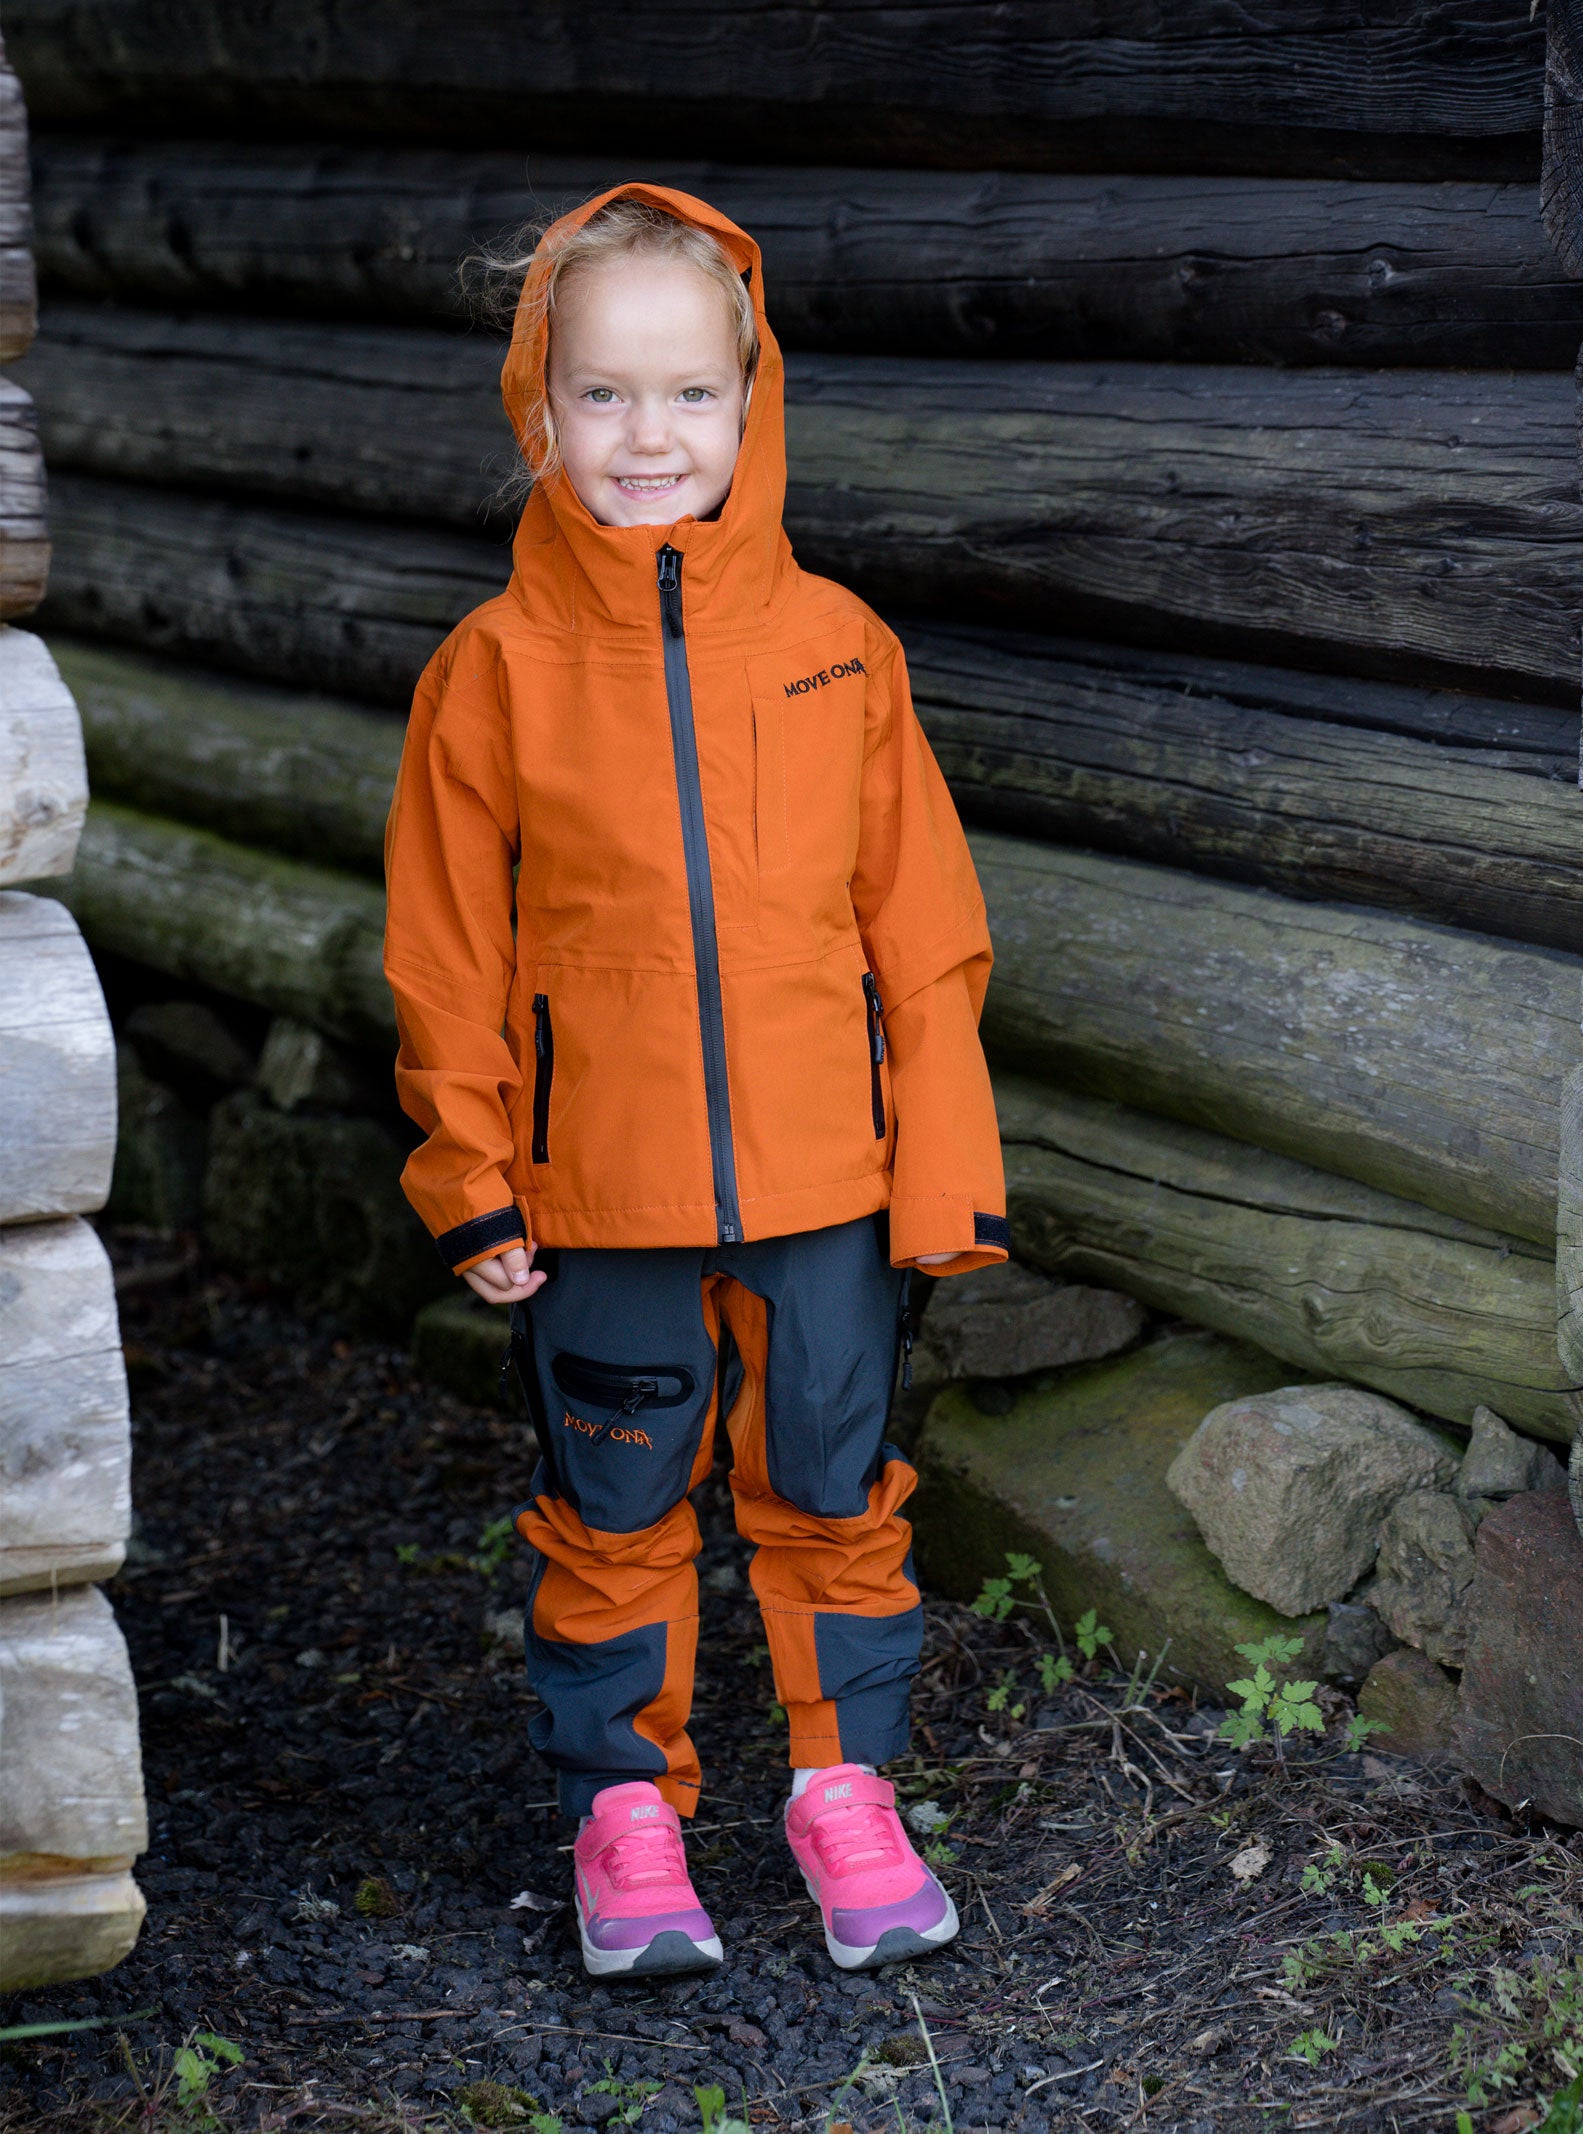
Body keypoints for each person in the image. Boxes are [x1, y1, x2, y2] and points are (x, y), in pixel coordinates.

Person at [383, 184, 1009, 1980]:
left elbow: (929, 928)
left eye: (687, 396)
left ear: (756, 407)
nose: (647, 436)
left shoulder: (842, 648)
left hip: (824, 1178)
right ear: (539, 405)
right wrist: (471, 1170)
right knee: (617, 1502)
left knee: (830, 1487)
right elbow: (443, 953)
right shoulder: (491, 676)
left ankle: (844, 1789)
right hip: (599, 1187)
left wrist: (940, 1168)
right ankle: (626, 1814)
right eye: (602, 394)